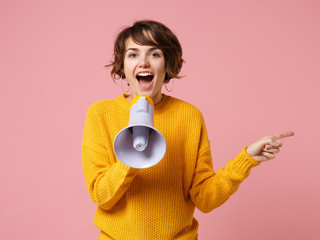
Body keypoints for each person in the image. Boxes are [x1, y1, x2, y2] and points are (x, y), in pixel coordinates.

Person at [82, 20, 294, 240]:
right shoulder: (100, 114)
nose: (143, 62)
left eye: (154, 54)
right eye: (133, 55)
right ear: (123, 67)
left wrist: (246, 159)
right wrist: (133, 155)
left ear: (167, 65)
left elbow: (205, 198)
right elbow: (101, 196)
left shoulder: (189, 116)